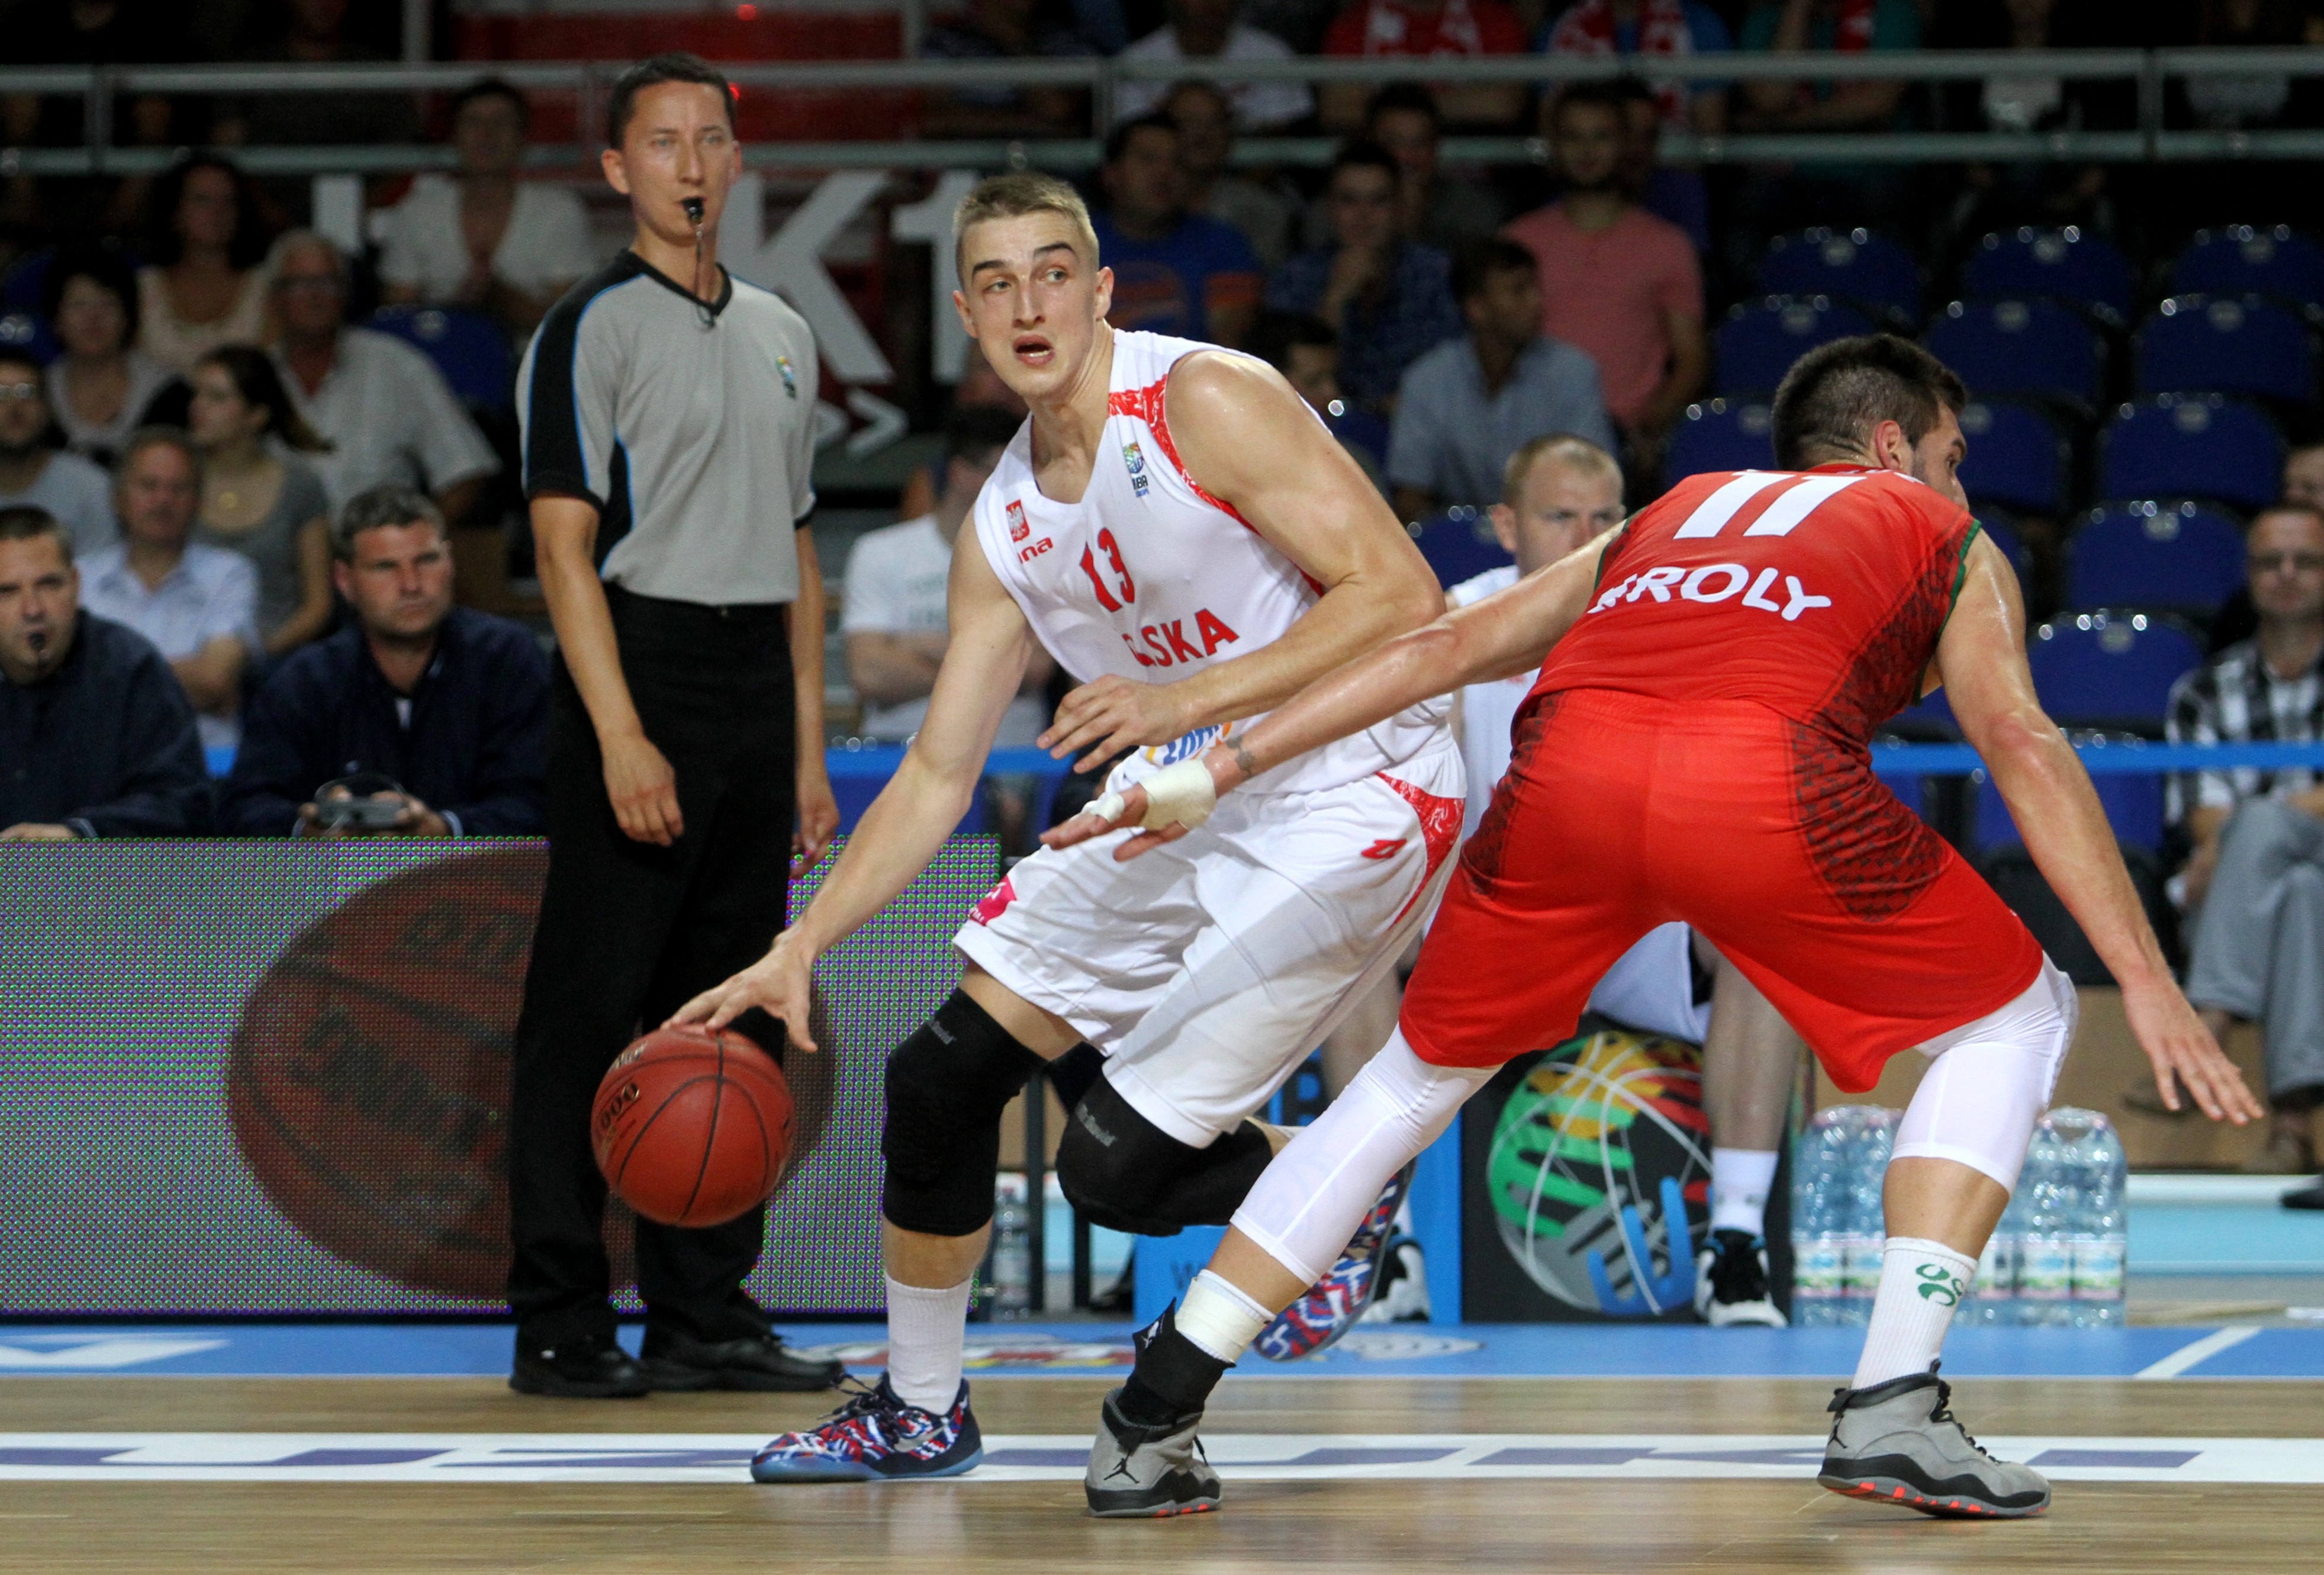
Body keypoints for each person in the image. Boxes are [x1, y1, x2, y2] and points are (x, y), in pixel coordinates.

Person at [1062, 333, 2260, 1518]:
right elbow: (2022, 743)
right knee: (2019, 1015)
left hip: (1565, 777)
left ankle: (1150, 1415)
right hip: (1761, 783)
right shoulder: (1940, 532)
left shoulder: (1673, 509)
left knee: (1403, 1088)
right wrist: (2147, 981)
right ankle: (1894, 1396)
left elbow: (1443, 645)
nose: (1959, 484)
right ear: (1895, 448)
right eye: (1950, 457)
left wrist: (1221, 763)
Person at [669, 169, 1457, 1483]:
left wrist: (1181, 697)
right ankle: (919, 1408)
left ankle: (1330, 1190)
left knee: (1114, 1171)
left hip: (1351, 781)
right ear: (968, 316)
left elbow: (1402, 594)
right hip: (1193, 782)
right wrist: (802, 944)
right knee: (936, 1084)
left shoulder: (1205, 396)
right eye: (995, 281)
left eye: (1051, 272)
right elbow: (933, 772)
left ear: (1098, 292)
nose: (1026, 301)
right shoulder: (1003, 521)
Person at [504, 53, 841, 1400]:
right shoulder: (586, 328)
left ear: (738, 162)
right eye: (660, 142)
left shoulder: (783, 330)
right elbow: (559, 551)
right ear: (615, 170)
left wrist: (809, 747)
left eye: (711, 139)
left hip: (755, 677)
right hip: (634, 670)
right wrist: (621, 736)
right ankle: (558, 1319)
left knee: (733, 1016)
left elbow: (803, 555)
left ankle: (704, 1312)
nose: (690, 163)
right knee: (585, 1016)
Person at [1435, 433, 1798, 1325]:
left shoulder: (1679, 614)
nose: (1586, 536)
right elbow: (1421, 795)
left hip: (1638, 924)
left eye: (1605, 519)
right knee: (1353, 933)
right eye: (1561, 517)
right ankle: (1388, 1250)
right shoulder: (1453, 625)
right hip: (1501, 919)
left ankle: (1737, 1244)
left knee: (1766, 935)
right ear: (1506, 525)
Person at [221, 485, 548, 839]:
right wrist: (308, 829)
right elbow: (245, 808)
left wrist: (442, 831)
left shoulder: (508, 660)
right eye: (385, 567)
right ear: (345, 581)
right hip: (336, 888)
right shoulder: (304, 680)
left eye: (427, 560)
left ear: (450, 561)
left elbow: (540, 802)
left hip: (483, 886)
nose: (411, 584)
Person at [2167, 504, 2324, 1175]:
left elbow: (2227, 828)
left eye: (2305, 561)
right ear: (2248, 575)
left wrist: (2251, 826)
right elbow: (2202, 814)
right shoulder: (2199, 692)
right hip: (2260, 892)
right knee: (2299, 891)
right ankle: (2289, 1128)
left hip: (2236, 879)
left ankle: (2207, 1023)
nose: (2285, 575)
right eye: (2268, 561)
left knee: (2259, 825)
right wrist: (2238, 838)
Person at [842, 406, 1055, 849]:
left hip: (1008, 759)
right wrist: (991, 661)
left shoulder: (1041, 553)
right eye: (1004, 471)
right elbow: (869, 673)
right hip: (894, 748)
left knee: (1003, 810)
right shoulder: (883, 553)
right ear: (960, 472)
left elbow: (1036, 669)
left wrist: (915, 646)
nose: (1022, 487)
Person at [1503, 82, 1707, 471]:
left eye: (1601, 136)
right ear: (1552, 145)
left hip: (1623, 446)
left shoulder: (1668, 245)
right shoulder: (1517, 241)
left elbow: (1691, 359)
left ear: (1627, 145)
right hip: (1527, 440)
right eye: (1572, 136)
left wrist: (1646, 429)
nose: (1587, 150)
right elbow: (1494, 348)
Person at [0, 504, 210, 841]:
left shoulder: (132, 669)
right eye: (7, 591)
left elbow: (183, 806)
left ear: (76, 585)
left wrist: (80, 837)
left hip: (107, 887)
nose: (33, 609)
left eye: (49, 584)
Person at [268, 230, 498, 522]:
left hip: (378, 560)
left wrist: (412, 548)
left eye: (327, 283)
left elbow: (467, 469)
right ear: (274, 297)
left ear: (346, 293)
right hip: (277, 564)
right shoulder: (252, 375)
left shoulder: (397, 364)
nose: (314, 296)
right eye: (299, 284)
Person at [1386, 239, 1613, 521]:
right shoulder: (1428, 380)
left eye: (1535, 288)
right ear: (1477, 308)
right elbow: (1410, 499)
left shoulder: (1573, 373)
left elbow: (1591, 481)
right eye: (1519, 291)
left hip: (1552, 538)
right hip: (1455, 544)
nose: (1537, 303)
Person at [76, 428, 259, 754]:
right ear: (118, 498)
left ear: (199, 501)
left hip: (208, 768)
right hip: (102, 769)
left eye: (178, 488)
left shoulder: (230, 573)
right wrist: (191, 680)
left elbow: (214, 682)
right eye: (149, 486)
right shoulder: (80, 579)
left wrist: (100, 677)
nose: (163, 499)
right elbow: (64, 690)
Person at [378, 78, 596, 341]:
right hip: (438, 366)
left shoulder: (558, 211)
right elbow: (396, 318)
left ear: (522, 136)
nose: (487, 134)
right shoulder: (418, 211)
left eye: (501, 122)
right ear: (454, 136)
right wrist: (458, 312)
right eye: (473, 122)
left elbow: (574, 322)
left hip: (533, 364)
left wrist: (503, 300)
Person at [1264, 142, 1461, 414]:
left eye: (1379, 200)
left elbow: (1453, 376)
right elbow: (1280, 384)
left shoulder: (1437, 275)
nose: (1364, 215)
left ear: (1400, 207)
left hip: (1416, 424)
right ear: (1329, 207)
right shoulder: (1295, 278)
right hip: (1325, 429)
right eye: (1349, 200)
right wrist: (1335, 299)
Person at [186, 346, 334, 657]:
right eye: (197, 394)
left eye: (216, 397)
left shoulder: (299, 485)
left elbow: (318, 605)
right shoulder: (175, 480)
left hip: (277, 658)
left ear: (256, 415)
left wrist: (261, 655)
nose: (197, 407)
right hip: (185, 653)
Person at [1091, 115, 1263, 349]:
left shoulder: (1224, 245)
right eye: (1148, 159)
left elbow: (1228, 350)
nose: (1164, 171)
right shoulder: (1075, 243)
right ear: (1111, 173)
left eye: (1178, 162)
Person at [41, 246, 186, 468]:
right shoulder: (38, 393)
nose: (93, 319)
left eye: (108, 304)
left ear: (128, 317)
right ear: (56, 320)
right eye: (79, 305)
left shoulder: (170, 394)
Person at [136, 155, 275, 378]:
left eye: (228, 201)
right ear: (174, 213)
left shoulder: (268, 288)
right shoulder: (141, 289)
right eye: (203, 200)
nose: (217, 212)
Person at [1319, 0, 1530, 131]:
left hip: (1469, 174)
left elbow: (1504, 105)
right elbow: (1339, 109)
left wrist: (1388, 105)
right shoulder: (1355, 22)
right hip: (1378, 175)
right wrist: (1460, 101)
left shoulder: (1492, 18)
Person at [1113, 0, 1313, 131]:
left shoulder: (1272, 54)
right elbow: (1131, 131)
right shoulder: (1136, 60)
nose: (1212, 4)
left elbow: (1283, 131)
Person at [1543, 0, 1733, 136]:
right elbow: (1549, 133)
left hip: (1673, 172)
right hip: (1584, 177)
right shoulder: (1556, 32)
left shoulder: (1703, 26)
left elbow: (1710, 134)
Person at [1162, 81, 1298, 271]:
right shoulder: (1136, 208)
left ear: (1230, 134)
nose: (1202, 134)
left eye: (1215, 122)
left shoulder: (1262, 212)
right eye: (1188, 122)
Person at [916, 0, 1097, 141]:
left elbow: (1057, 110)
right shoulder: (944, 42)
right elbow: (934, 122)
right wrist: (1030, 124)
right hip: (965, 170)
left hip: (1051, 170)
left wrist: (1013, 39)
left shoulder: (1067, 40)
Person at [1250, 310, 1389, 488]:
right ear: (1266, 387)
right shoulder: (1222, 469)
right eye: (1313, 381)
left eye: (1334, 377)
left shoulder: (1356, 467)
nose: (1332, 392)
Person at [0, 349, 117, 559]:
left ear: (48, 407)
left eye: (27, 392)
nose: (14, 407)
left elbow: (98, 579)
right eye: (1, 393)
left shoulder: (91, 487)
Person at [1361, 85, 1502, 251]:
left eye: (1420, 142)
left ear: (1436, 147)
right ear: (1368, 143)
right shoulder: (1336, 212)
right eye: (1394, 143)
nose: (1407, 157)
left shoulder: (1476, 212)